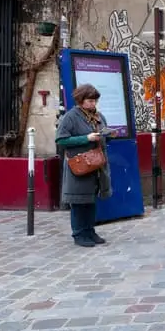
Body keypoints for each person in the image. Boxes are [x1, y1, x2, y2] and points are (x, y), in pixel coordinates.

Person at [56, 84, 113, 247]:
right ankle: (79, 234)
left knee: (90, 200)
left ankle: (90, 231)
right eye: (90, 101)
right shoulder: (71, 117)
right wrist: (86, 138)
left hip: (96, 164)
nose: (93, 104)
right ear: (80, 100)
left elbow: (102, 135)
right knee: (78, 202)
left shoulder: (98, 116)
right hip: (79, 165)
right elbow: (61, 139)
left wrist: (107, 135)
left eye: (95, 101)